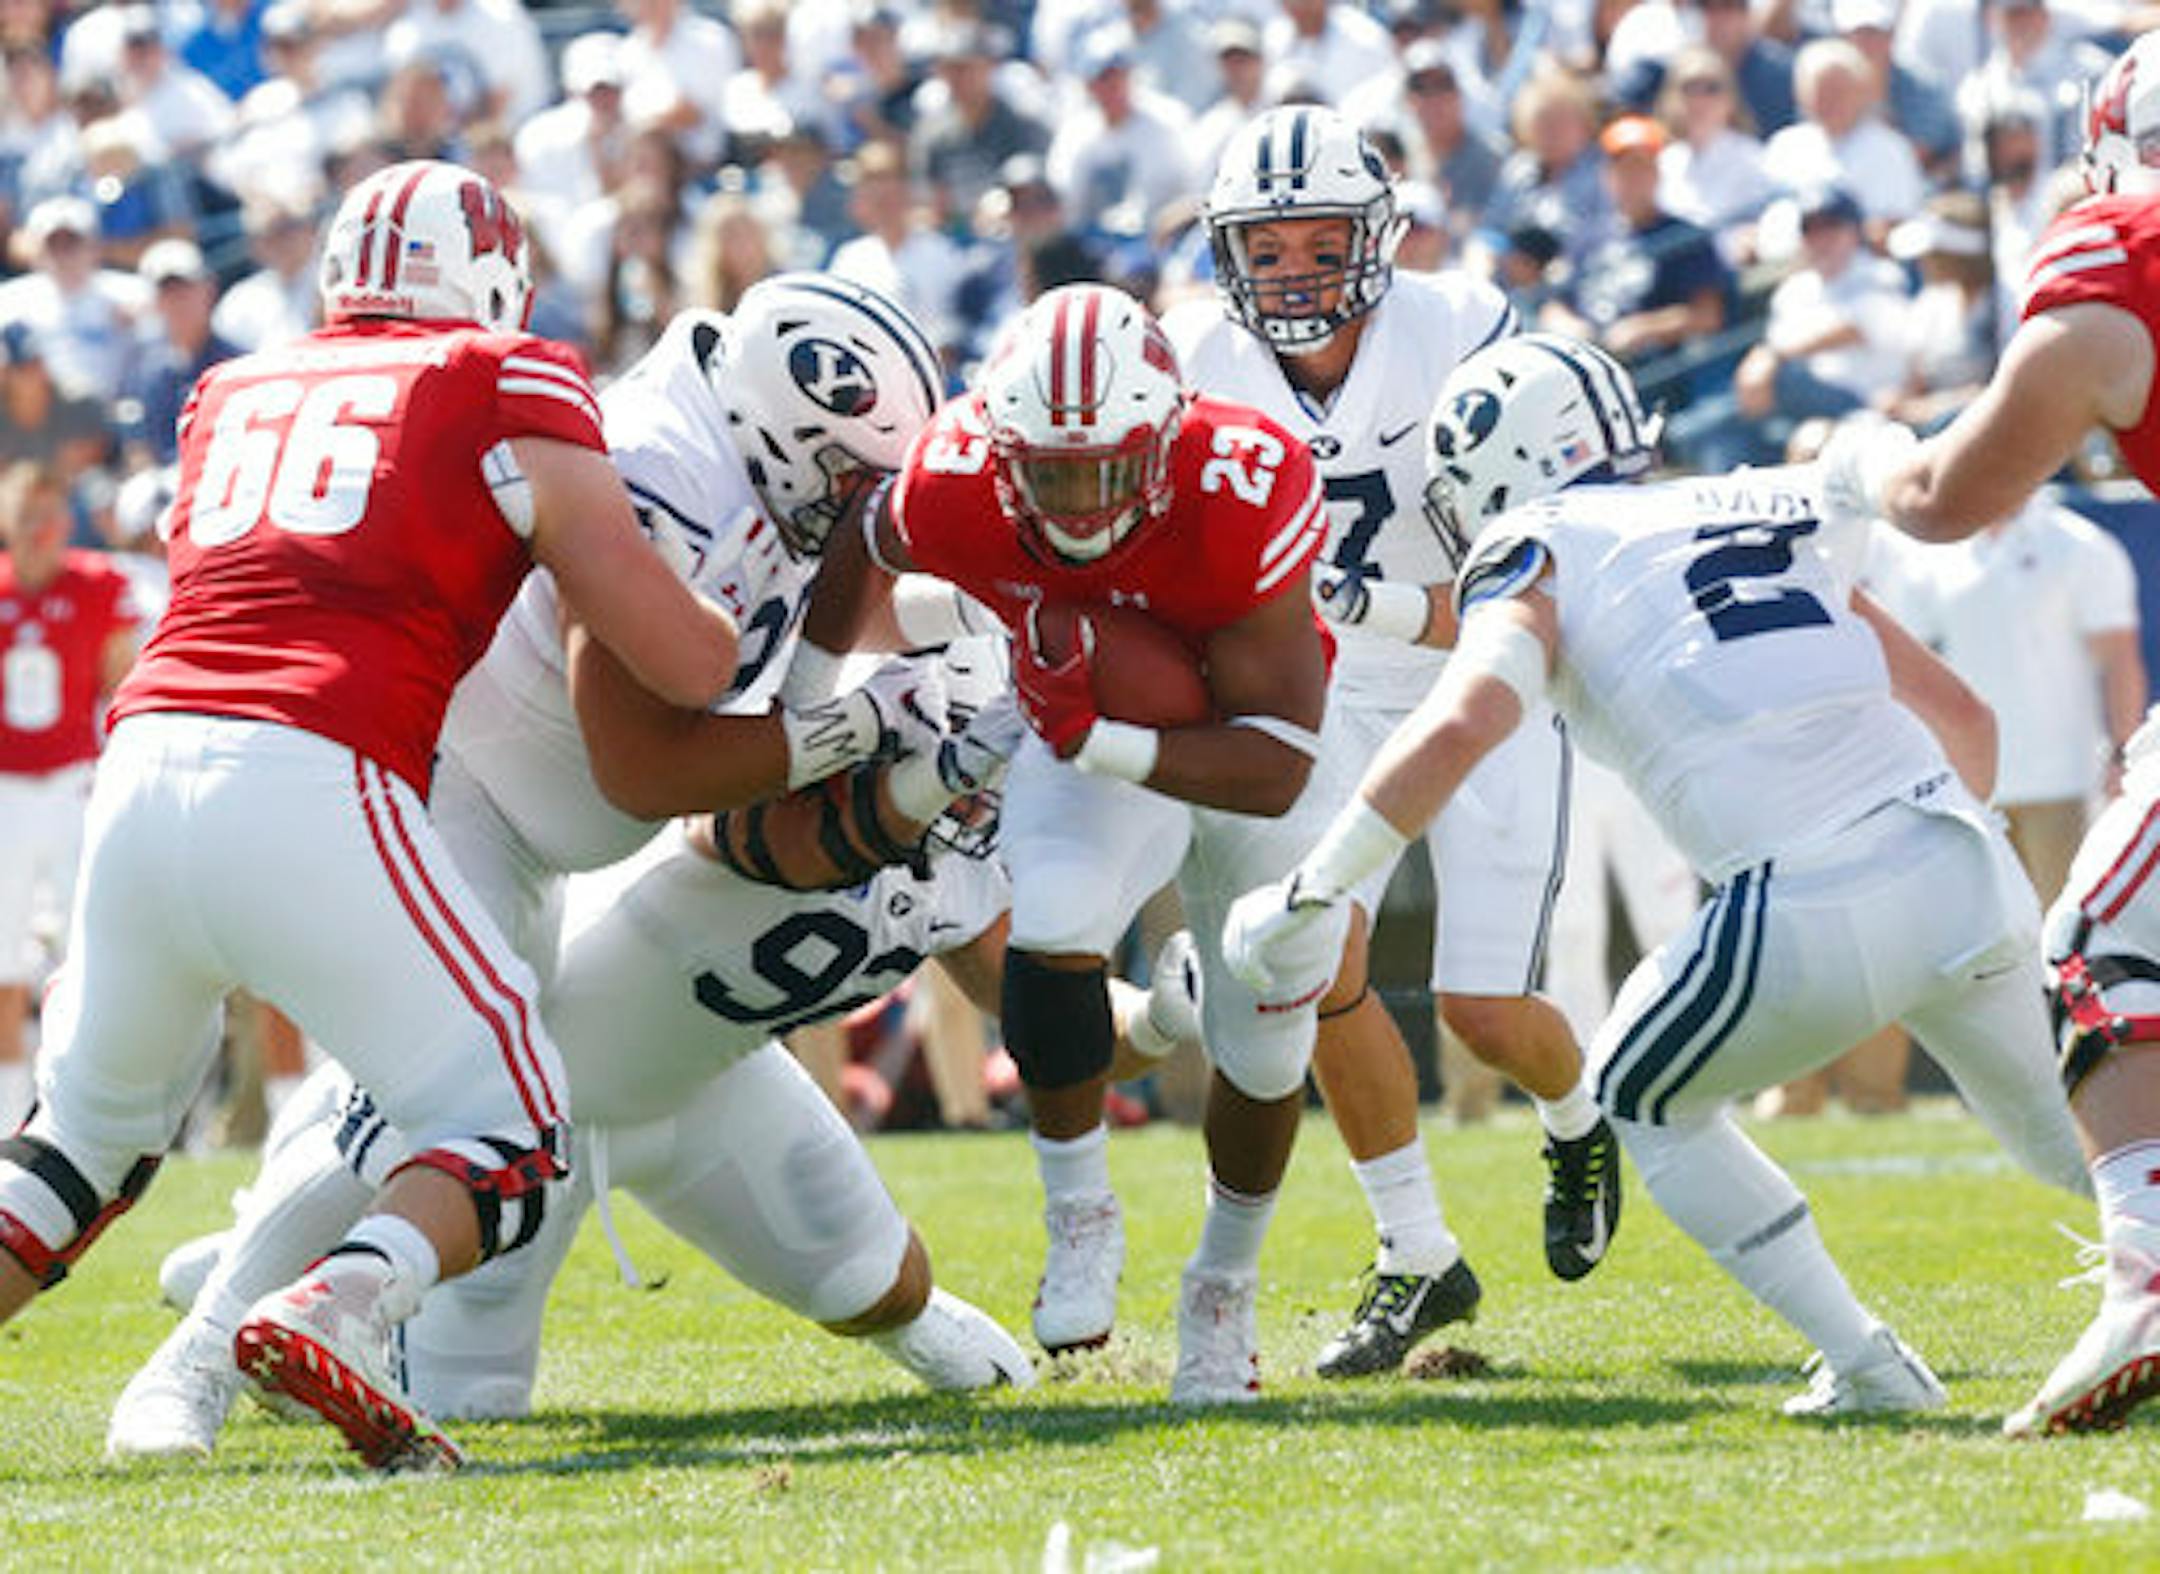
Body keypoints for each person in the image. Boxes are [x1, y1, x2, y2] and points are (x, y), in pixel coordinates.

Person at [99, 271, 980, 1459]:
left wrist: (930, 638)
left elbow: (833, 572)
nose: (853, 509)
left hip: (540, 838)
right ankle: (195, 1361)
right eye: (844, 478)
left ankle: (275, 1273)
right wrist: (854, 727)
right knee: (424, 1110)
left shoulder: (768, 453)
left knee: (453, 1105)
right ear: (783, 431)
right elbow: (642, 770)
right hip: (460, 796)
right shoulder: (655, 468)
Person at [0, 160, 743, 1474]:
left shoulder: (230, 389)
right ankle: (335, 1300)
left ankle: (304, 1294)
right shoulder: (502, 372)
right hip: (312, 773)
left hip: (141, 769)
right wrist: (750, 622)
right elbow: (678, 662)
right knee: (515, 1119)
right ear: (496, 282)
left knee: (83, 1146)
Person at [1229, 331, 2091, 1417]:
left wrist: (1314, 885)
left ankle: (1867, 1363)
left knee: (1640, 1091)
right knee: (2088, 1141)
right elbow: (1966, 716)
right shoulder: (1744, 504)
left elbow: (1460, 723)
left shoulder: (1539, 540)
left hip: (1807, 890)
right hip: (1963, 856)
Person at [793, 281, 1352, 1403]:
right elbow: (869, 533)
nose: (1081, 496)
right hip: (1084, 715)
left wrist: (1102, 738)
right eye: (1050, 469)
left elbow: (1279, 761)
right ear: (1004, 452)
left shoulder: (1245, 483)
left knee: (1267, 1044)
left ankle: (1221, 1290)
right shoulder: (956, 480)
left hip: (1240, 744)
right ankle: (1079, 1207)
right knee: (1049, 922)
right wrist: (805, 697)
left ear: (1165, 436)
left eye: (1107, 465)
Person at [1164, 104, 1621, 1381]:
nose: (1296, 270)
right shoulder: (1199, 355)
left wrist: (1380, 605)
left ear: (1378, 235)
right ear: (1226, 252)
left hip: (1483, 660)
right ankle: (1416, 1251)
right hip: (1322, 685)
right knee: (1314, 953)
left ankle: (1577, 1117)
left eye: (1322, 242)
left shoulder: (1462, 328)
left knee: (1485, 1009)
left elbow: (1537, 558)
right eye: (1269, 246)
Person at [1821, 32, 2160, 1436]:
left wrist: (1876, 459)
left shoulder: (2116, 260)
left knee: (2099, 943)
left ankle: (2148, 1275)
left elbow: (1954, 495)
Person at [0, 460, 142, 1132]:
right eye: (28, 518)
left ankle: (81, 1110)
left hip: (70, 785)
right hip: (4, 790)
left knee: (85, 950)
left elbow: (120, 685)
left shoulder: (97, 584)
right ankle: (6, 1111)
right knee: (3, 958)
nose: (42, 534)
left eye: (52, 518)